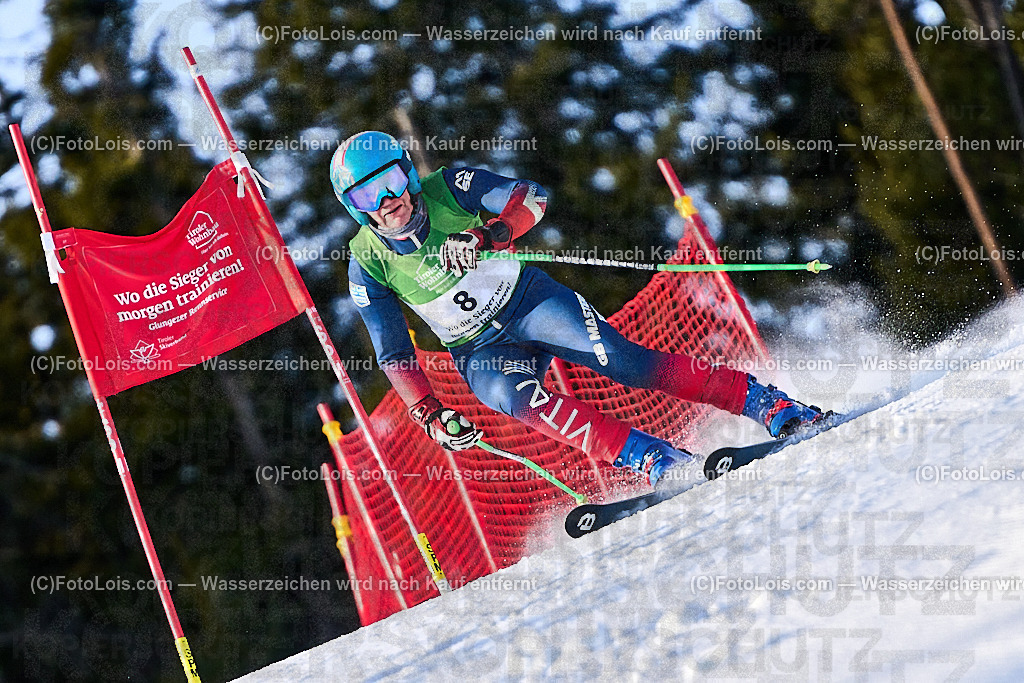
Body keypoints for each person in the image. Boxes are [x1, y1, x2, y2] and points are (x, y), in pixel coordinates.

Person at [332, 131, 826, 487]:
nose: (389, 199)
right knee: (515, 397)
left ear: (407, 173)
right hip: (478, 347)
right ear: (355, 206)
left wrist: (488, 233)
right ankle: (653, 458)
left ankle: (771, 404)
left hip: (529, 301)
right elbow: (393, 352)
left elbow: (532, 197)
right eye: (369, 194)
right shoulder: (366, 262)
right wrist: (428, 413)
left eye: (393, 179)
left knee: (625, 362)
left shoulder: (448, 187)